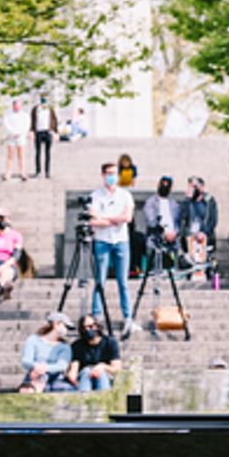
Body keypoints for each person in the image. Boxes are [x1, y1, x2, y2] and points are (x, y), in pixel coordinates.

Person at [86, 161, 135, 329]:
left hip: (121, 241)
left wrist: (105, 218)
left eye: (114, 173)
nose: (112, 176)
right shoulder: (95, 195)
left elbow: (127, 218)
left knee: (123, 281)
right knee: (100, 280)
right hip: (102, 241)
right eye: (108, 173)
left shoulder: (125, 195)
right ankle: (97, 314)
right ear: (102, 175)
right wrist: (115, 219)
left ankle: (128, 316)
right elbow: (93, 221)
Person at [20, 311, 73, 393]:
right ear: (56, 324)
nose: (66, 330)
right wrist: (36, 367)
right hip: (34, 374)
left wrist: (44, 368)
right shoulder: (33, 340)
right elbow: (26, 361)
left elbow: (62, 366)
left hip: (55, 378)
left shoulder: (65, 347)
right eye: (65, 326)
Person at [68, 313, 121, 391]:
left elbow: (117, 369)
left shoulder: (110, 342)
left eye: (90, 326)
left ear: (97, 326)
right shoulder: (77, 345)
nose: (88, 330)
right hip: (84, 377)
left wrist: (103, 367)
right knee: (86, 371)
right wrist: (73, 379)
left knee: (101, 374)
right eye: (84, 328)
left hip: (105, 376)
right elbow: (74, 369)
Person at [177, 177, 218, 279]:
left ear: (202, 187)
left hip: (205, 237)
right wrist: (187, 200)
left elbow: (212, 220)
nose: (193, 189)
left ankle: (204, 271)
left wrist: (204, 232)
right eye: (190, 187)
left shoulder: (209, 201)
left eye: (195, 186)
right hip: (190, 236)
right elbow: (182, 219)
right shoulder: (186, 202)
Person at [141, 176, 179, 272]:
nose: (164, 187)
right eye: (163, 184)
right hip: (156, 239)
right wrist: (164, 233)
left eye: (168, 186)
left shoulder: (174, 203)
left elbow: (178, 221)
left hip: (173, 240)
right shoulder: (151, 202)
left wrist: (175, 232)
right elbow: (151, 221)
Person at [30, 94, 58, 178]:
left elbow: (54, 120)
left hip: (48, 132)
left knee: (47, 153)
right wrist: (31, 131)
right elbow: (32, 120)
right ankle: (38, 171)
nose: (44, 102)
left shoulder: (50, 109)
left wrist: (56, 132)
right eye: (43, 100)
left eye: (45, 100)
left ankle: (47, 171)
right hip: (38, 132)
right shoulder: (35, 109)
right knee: (38, 152)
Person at [2, 99, 29, 181]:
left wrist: (19, 133)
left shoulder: (25, 115)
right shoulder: (8, 115)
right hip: (11, 137)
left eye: (18, 105)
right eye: (15, 105)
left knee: (21, 156)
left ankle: (22, 172)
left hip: (21, 137)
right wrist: (13, 132)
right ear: (13, 105)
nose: (17, 106)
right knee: (10, 156)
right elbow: (6, 125)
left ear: (21, 106)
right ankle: (8, 172)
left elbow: (26, 126)